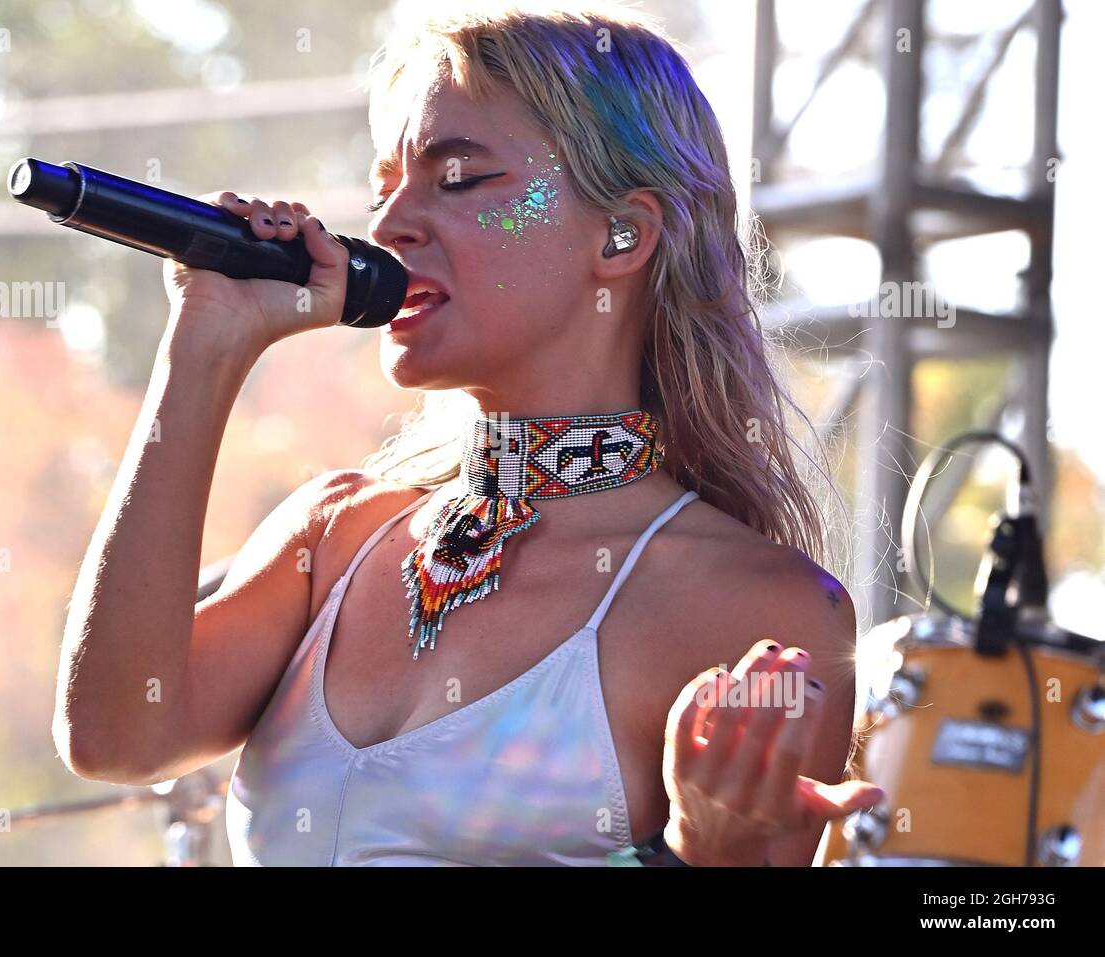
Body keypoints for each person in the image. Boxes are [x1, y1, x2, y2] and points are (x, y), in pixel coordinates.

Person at [53, 1, 885, 867]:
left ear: (623, 231)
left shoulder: (756, 607)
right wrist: (204, 347)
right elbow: (115, 733)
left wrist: (703, 855)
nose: (388, 229)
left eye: (458, 180)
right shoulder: (334, 535)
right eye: (385, 191)